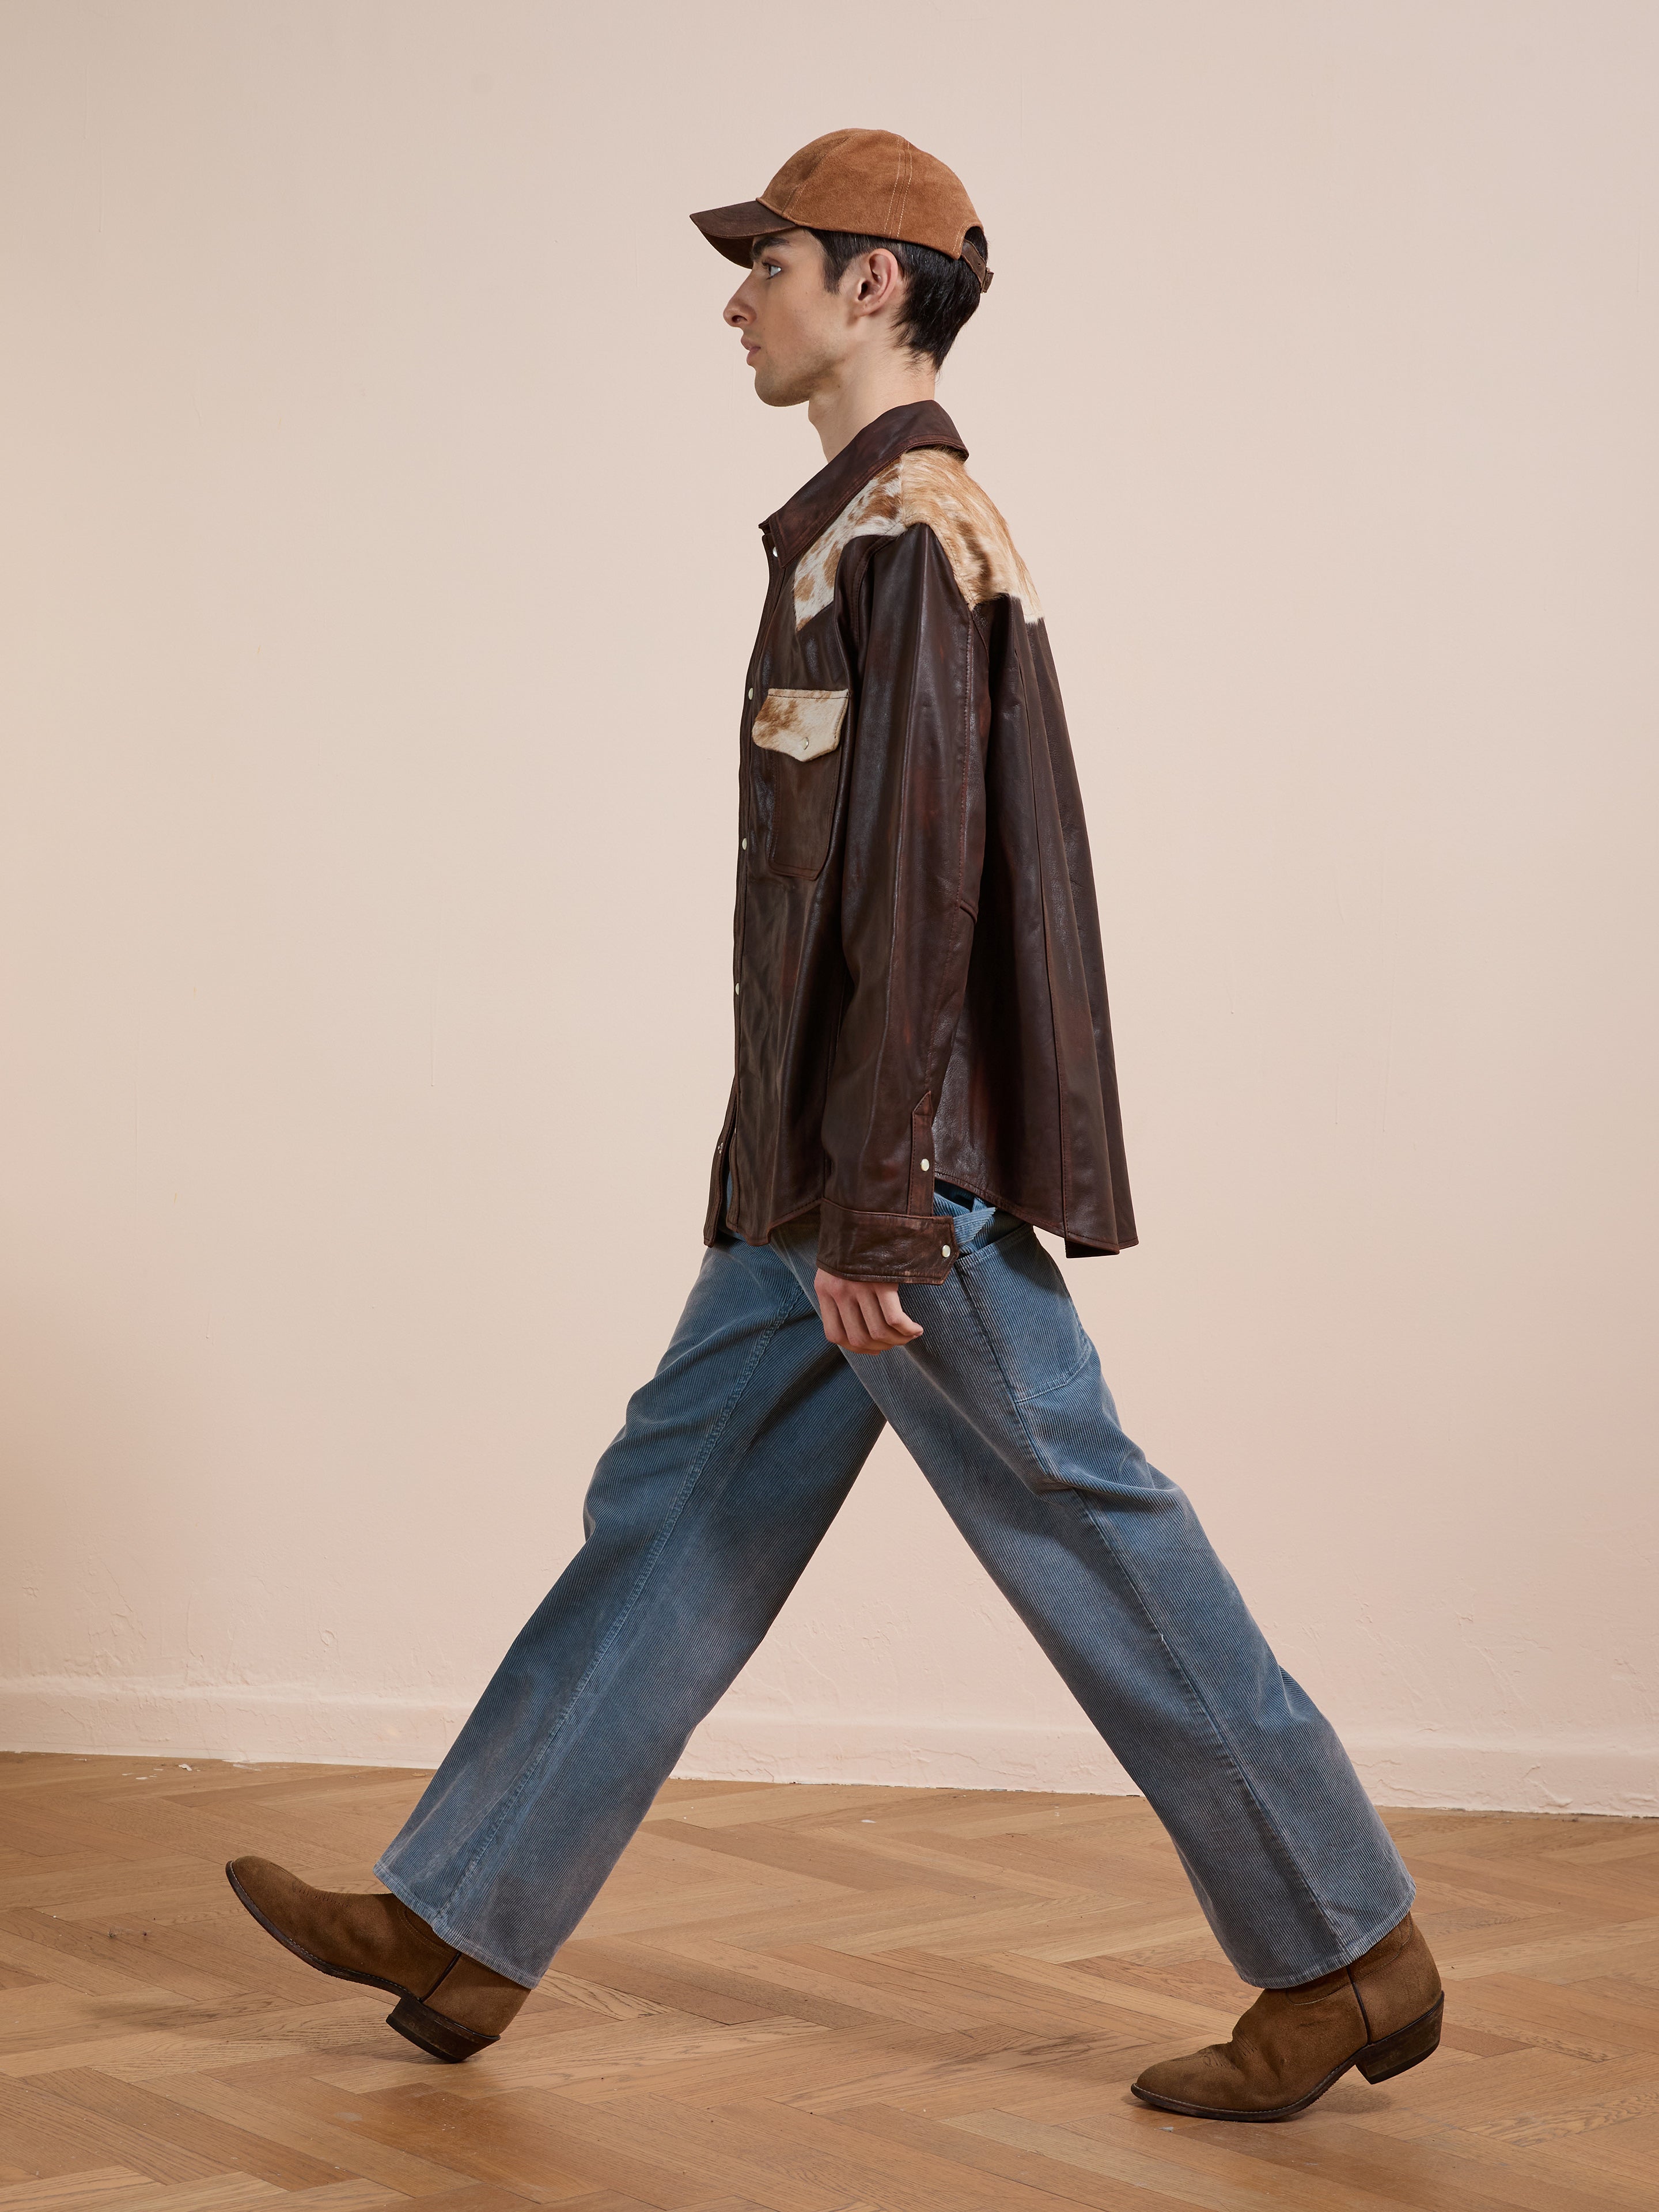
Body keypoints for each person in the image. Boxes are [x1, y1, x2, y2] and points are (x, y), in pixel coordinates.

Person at [226, 129, 1442, 2121]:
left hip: (895, 1190)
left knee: (1085, 1520)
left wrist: (880, 1206)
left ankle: (1347, 1949)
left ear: (873, 285)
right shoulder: (837, 534)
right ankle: (462, 1920)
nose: (737, 299)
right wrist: (799, 1189)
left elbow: (920, 897)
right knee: (676, 1505)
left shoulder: (912, 536)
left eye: (768, 264)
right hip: (816, 1182)